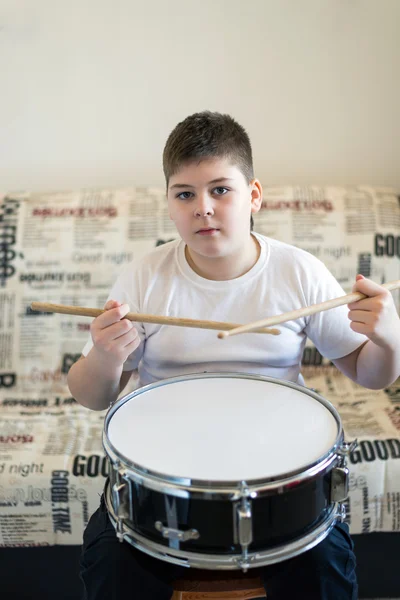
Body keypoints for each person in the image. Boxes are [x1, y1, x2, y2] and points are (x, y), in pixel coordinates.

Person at [67, 111, 400, 600]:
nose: (203, 208)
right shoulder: (145, 277)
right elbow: (92, 395)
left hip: (277, 474)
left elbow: (368, 374)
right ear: (169, 203)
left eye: (221, 189)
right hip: (169, 473)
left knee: (324, 568)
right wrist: (105, 357)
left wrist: (390, 342)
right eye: (185, 194)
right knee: (110, 561)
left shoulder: (299, 273)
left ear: (254, 196)